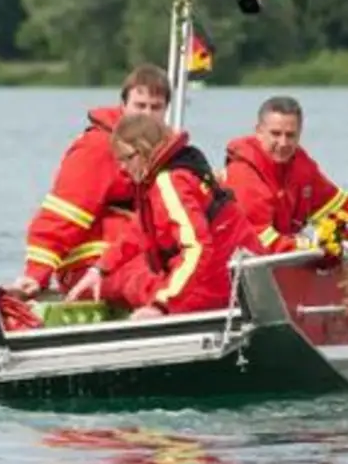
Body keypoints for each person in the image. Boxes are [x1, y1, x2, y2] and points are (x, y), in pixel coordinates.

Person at [65, 114, 261, 318]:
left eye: (126, 158)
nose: (122, 167)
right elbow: (138, 231)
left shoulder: (169, 183)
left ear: (144, 150)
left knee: (140, 291)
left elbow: (197, 248)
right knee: (136, 284)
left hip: (223, 287)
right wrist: (100, 269)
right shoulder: (172, 174)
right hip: (234, 278)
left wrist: (161, 305)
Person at [5, 64, 170, 299]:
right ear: (123, 106)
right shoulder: (98, 148)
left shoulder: (165, 150)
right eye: (140, 106)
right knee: (160, 284)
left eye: (156, 107)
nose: (147, 114)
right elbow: (63, 214)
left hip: (135, 256)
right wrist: (36, 274)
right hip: (91, 264)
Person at [222, 95, 348, 253]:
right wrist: (311, 248)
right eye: (276, 134)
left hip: (284, 258)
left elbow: (340, 208)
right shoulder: (244, 173)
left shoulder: (301, 167)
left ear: (299, 134)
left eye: (290, 135)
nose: (283, 143)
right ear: (259, 132)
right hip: (242, 259)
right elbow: (256, 240)